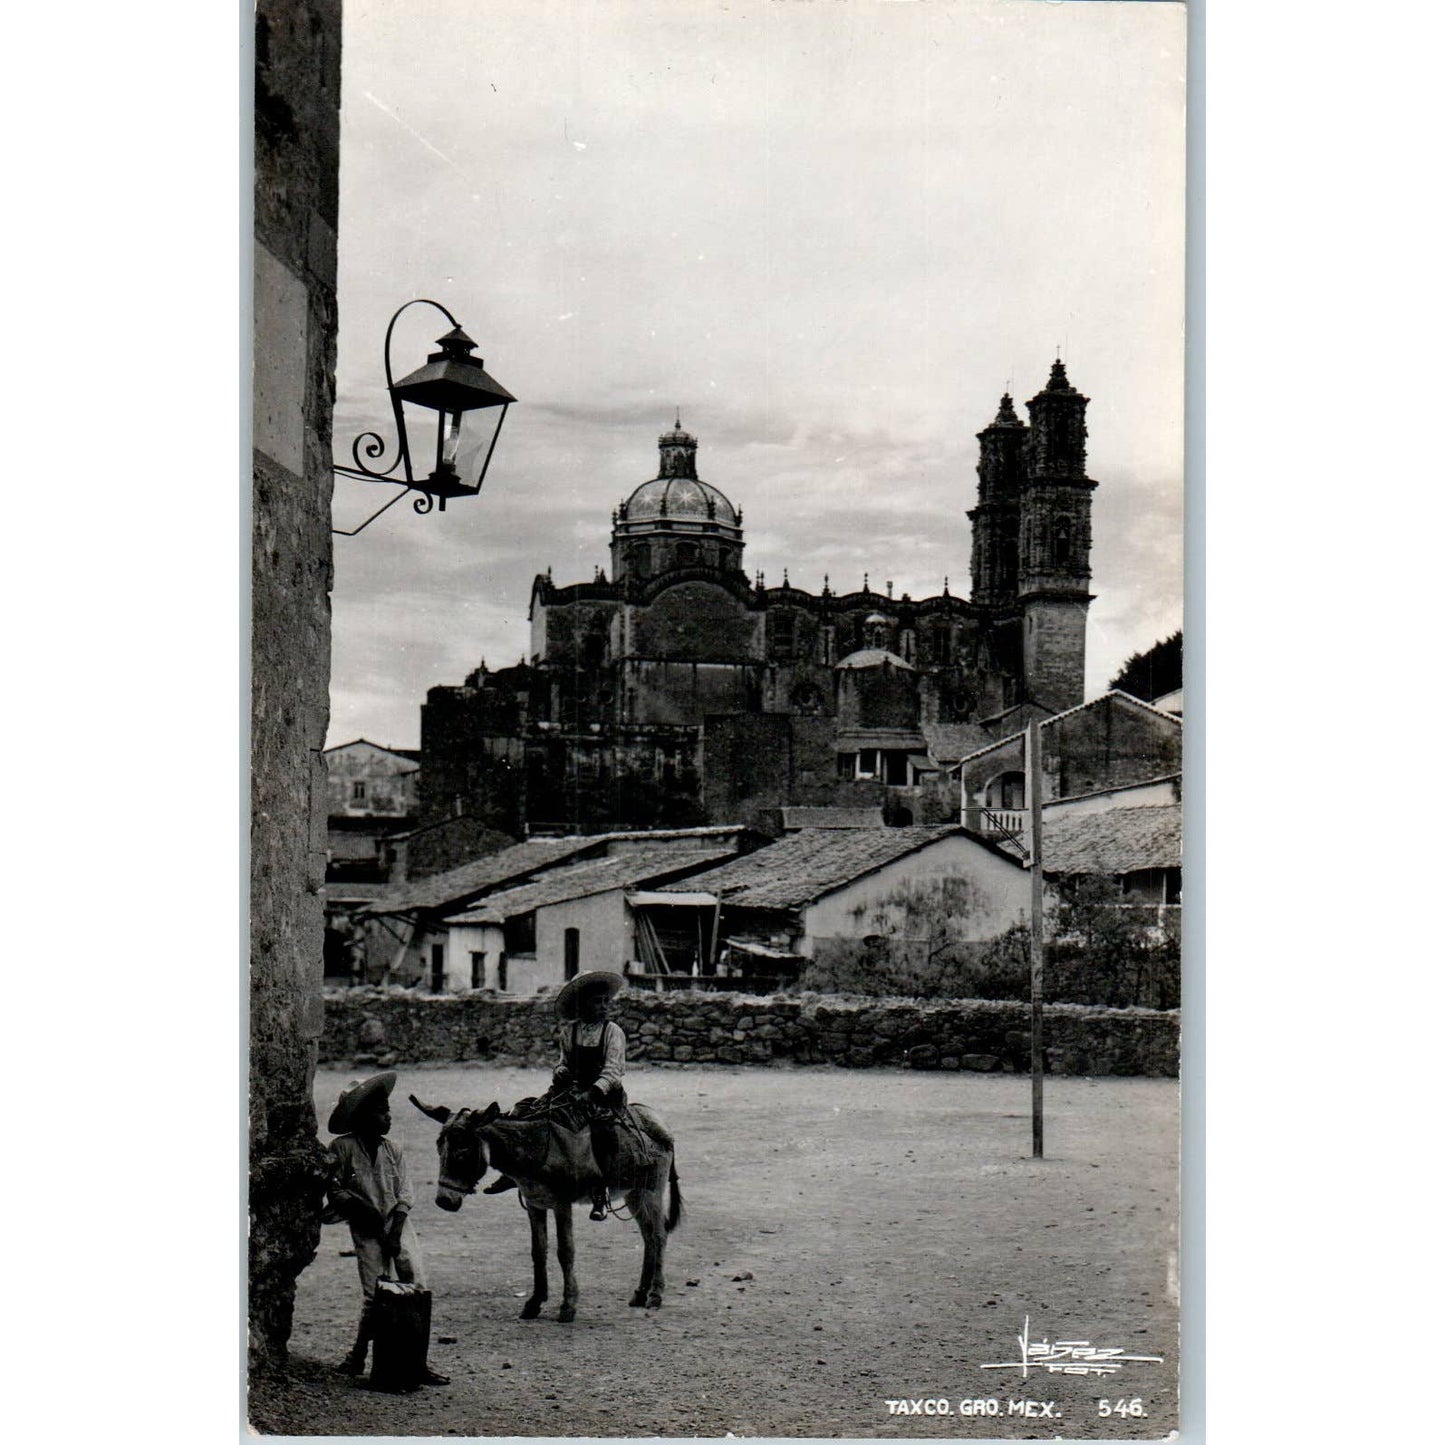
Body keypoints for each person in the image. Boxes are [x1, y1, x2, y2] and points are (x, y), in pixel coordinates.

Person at [323, 1071, 448, 1383]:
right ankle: (359, 1356)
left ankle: (416, 1362)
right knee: (374, 1295)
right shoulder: (342, 1148)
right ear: (362, 1117)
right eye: (381, 1113)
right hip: (366, 1231)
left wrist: (394, 1232)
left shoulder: (393, 1150)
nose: (388, 1118)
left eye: (388, 1111)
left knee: (416, 1287)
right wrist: (361, 1209)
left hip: (398, 1227)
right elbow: (334, 1189)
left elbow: (404, 1195)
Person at [484, 969, 629, 1222]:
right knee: (525, 1111)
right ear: (581, 1004)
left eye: (606, 1001)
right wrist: (561, 1072)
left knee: (602, 1132)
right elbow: (562, 1063)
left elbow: (613, 1070)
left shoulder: (612, 1032)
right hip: (570, 1092)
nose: (604, 1006)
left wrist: (593, 1092)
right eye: (597, 1002)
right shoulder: (569, 1033)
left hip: (603, 1096)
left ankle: (600, 1191)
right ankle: (513, 1174)